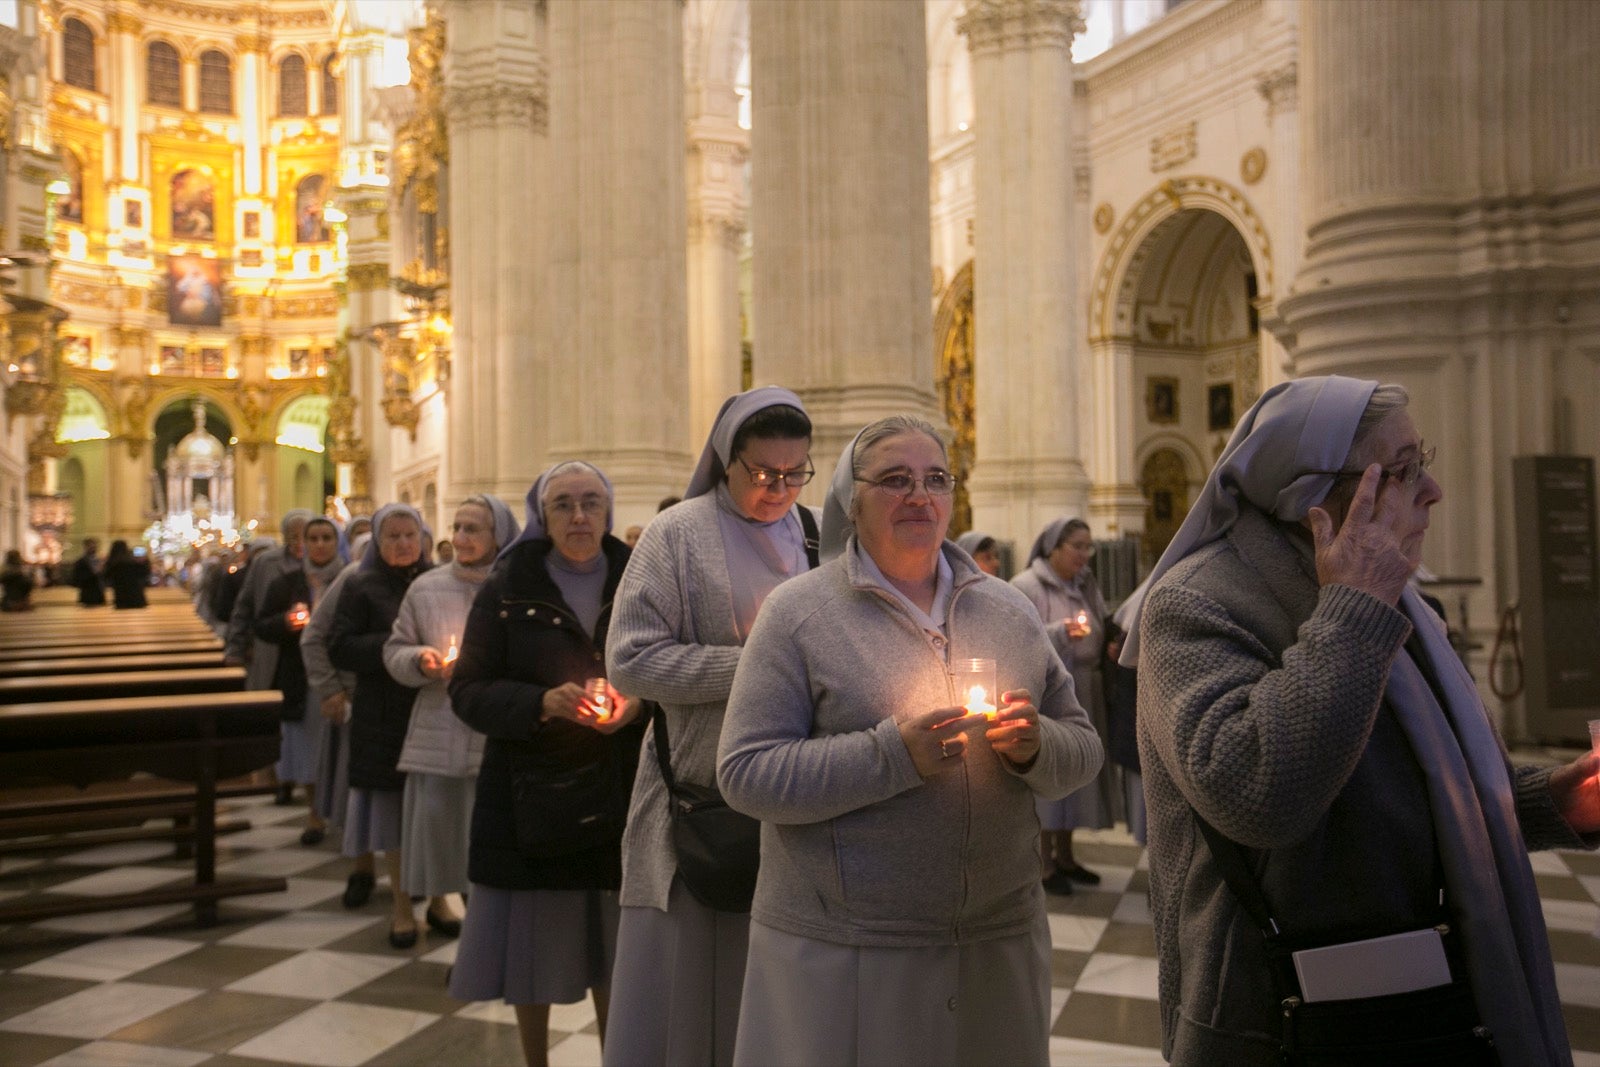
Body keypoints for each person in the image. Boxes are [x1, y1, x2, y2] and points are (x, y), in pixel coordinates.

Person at [1125, 375, 1599, 1066]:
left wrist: (1558, 800)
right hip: (1278, 1019)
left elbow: (1424, 791)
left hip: (1424, 1001)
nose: (1432, 490)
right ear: (1314, 494)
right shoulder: (1198, 603)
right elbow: (1255, 794)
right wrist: (1354, 605)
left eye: (1422, 461)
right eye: (1403, 470)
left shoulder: (1405, 600)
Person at [716, 415, 1103, 1067]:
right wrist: (892, 754)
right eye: (896, 479)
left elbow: (1083, 748)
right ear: (850, 499)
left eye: (936, 479)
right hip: (851, 946)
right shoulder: (798, 614)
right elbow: (745, 772)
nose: (920, 495)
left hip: (995, 937)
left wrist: (1037, 746)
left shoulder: (1008, 611)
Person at [604, 386, 820, 1067]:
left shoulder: (812, 533)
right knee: (689, 1000)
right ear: (726, 462)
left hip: (792, 797)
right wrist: (754, 665)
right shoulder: (679, 534)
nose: (779, 488)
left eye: (795, 473)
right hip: (696, 795)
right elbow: (630, 660)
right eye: (763, 473)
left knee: (774, 998)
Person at [449, 465, 645, 1067]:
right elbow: (468, 690)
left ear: (609, 510)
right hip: (530, 793)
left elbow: (664, 665)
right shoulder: (508, 584)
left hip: (620, 786)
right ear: (541, 514)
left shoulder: (640, 578)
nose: (579, 516)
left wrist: (637, 701)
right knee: (533, 952)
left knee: (616, 951)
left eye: (591, 503)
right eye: (563, 504)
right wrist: (540, 702)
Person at [384, 494, 519, 942]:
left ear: (498, 535)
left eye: (472, 529)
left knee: (486, 847)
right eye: (456, 527)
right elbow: (395, 649)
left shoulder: (516, 585)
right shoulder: (425, 588)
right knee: (438, 839)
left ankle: (482, 939)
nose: (459, 538)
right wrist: (420, 661)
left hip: (492, 734)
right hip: (437, 730)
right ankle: (422, 911)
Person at [329, 504, 430, 948]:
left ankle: (443, 898)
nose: (404, 544)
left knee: (434, 811)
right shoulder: (360, 585)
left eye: (411, 535)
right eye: (393, 536)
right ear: (378, 541)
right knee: (394, 813)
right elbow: (340, 646)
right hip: (383, 713)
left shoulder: (436, 581)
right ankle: (402, 907)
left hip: (432, 710)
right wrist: (397, 649)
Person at [1010, 517, 1112, 893]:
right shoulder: (1025, 586)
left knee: (1076, 776)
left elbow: (1101, 625)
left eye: (1089, 547)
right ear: (1054, 548)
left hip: (1084, 686)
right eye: (1078, 547)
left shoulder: (1085, 584)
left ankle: (1067, 856)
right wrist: (1060, 633)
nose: (1086, 555)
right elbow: (1018, 641)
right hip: (1047, 695)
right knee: (1049, 775)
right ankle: (1044, 864)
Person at [256, 517, 348, 847]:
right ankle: (314, 813)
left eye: (327, 537)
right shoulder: (288, 582)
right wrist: (286, 622)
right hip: (300, 675)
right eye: (314, 538)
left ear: (337, 542)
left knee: (339, 748)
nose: (320, 544)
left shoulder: (351, 579)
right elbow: (262, 625)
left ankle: (342, 812)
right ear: (304, 544)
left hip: (343, 675)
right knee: (309, 748)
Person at [299, 523, 373, 856]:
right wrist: (330, 688)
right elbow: (314, 636)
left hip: (389, 696)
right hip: (343, 688)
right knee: (346, 773)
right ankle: (358, 859)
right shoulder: (354, 577)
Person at [104, 540, 151, 609]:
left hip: (121, 597)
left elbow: (106, 577)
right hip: (136, 596)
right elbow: (145, 573)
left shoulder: (112, 563)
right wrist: (144, 562)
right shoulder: (132, 561)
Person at [71, 538, 105, 607]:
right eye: (90, 546)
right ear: (86, 547)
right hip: (87, 592)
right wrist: (95, 572)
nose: (93, 548)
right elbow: (78, 577)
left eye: (94, 546)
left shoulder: (98, 559)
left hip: (98, 592)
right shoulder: (81, 561)